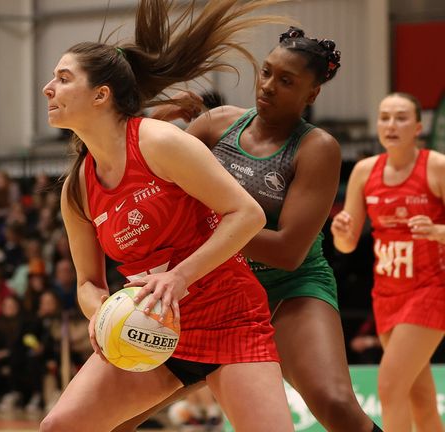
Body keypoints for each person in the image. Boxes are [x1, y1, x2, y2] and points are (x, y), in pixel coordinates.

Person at [39, 1, 295, 431]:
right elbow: (88, 282)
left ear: (101, 95)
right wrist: (100, 312)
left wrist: (178, 277)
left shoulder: (158, 142)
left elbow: (245, 214)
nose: (48, 88)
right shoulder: (77, 189)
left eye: (64, 79)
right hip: (153, 331)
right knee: (59, 427)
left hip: (228, 316)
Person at [151, 27, 381, 432]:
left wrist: (216, 225)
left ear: (312, 94)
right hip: (218, 286)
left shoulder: (317, 148)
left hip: (290, 286)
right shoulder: (217, 124)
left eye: (287, 81)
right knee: (113, 415)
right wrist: (158, 123)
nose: (269, 86)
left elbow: (288, 251)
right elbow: (157, 189)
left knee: (335, 403)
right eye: (266, 72)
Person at [331, 92, 445, 432]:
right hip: (386, 296)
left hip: (430, 291)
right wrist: (341, 231)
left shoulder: (436, 167)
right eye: (384, 117)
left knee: (390, 386)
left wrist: (437, 230)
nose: (391, 125)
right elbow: (346, 245)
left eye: (400, 118)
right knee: (419, 398)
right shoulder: (365, 172)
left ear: (418, 127)